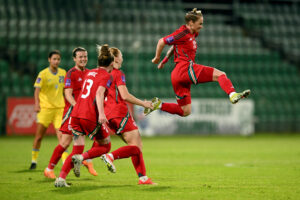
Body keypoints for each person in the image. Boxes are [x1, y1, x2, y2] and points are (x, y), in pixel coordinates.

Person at [71, 47, 156, 185]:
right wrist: (143, 103)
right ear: (116, 58)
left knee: (130, 146)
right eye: (121, 55)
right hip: (119, 113)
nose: (123, 58)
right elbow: (124, 95)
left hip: (108, 115)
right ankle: (110, 157)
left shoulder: (100, 72)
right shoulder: (118, 73)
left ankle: (143, 178)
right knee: (136, 147)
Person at [145, 8, 251, 116]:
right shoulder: (183, 33)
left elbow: (174, 46)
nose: (202, 26)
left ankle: (157, 105)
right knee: (220, 75)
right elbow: (161, 41)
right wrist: (157, 57)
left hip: (177, 75)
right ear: (191, 23)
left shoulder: (193, 33)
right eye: (200, 23)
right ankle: (232, 95)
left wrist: (165, 60)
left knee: (185, 111)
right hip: (185, 68)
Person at [54, 44, 114, 187]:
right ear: (111, 64)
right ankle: (82, 158)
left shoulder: (89, 73)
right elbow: (99, 94)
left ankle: (61, 179)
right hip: (89, 115)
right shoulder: (107, 75)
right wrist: (101, 114)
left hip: (76, 115)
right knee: (106, 146)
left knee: (76, 148)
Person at [44, 47, 98, 179]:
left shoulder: (91, 73)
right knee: (65, 143)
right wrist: (77, 107)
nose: (83, 59)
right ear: (74, 59)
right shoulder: (71, 73)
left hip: (86, 113)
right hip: (72, 113)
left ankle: (85, 159)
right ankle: (49, 169)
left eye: (85, 56)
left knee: (98, 137)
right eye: (80, 57)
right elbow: (67, 94)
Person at [30, 50, 66, 170]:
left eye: (58, 59)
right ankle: (34, 160)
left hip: (59, 109)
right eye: (54, 59)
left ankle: (64, 161)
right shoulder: (43, 74)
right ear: (49, 60)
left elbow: (66, 89)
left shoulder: (63, 73)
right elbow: (37, 90)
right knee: (39, 137)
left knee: (62, 137)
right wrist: (37, 104)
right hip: (45, 109)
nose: (56, 61)